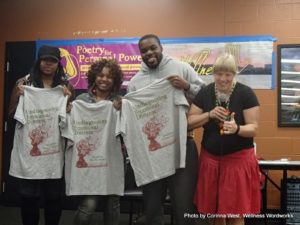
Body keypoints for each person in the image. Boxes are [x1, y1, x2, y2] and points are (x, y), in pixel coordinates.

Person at [127, 34, 205, 225]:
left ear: (161, 47)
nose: (149, 53)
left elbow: (206, 96)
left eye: (153, 48)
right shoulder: (135, 82)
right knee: (152, 208)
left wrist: (186, 86)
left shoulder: (181, 69)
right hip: (151, 152)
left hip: (181, 144)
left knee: (184, 208)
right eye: (144, 51)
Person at [188, 53, 261, 225]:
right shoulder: (205, 92)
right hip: (211, 160)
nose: (222, 79)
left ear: (234, 74)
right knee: (215, 213)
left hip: (238, 161)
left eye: (228, 74)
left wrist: (237, 129)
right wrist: (209, 114)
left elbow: (254, 128)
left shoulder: (246, 93)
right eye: (219, 74)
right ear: (213, 74)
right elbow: (189, 122)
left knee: (236, 213)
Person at [8, 45, 74, 225]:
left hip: (53, 151)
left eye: (52, 60)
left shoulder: (65, 86)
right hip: (29, 150)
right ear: (38, 61)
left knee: (53, 197)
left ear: (58, 63)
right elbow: (11, 114)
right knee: (29, 197)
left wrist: (68, 103)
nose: (48, 64)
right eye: (45, 59)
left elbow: (70, 116)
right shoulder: (25, 83)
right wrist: (19, 96)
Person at [72, 58, 124, 225]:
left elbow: (127, 131)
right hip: (89, 160)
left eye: (109, 77)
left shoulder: (120, 101)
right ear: (94, 77)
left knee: (112, 205)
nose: (104, 79)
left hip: (112, 158)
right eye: (101, 75)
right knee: (89, 204)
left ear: (114, 80)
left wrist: (122, 110)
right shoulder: (81, 100)